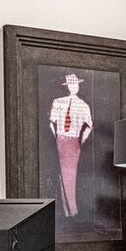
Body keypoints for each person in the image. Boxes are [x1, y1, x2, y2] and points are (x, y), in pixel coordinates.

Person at [47, 73, 93, 217]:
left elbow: (90, 125)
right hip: (61, 139)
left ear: (78, 85)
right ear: (67, 86)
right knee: (62, 175)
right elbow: (51, 122)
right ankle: (68, 211)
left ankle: (72, 211)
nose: (74, 87)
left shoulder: (84, 105)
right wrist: (58, 138)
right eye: (71, 84)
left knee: (69, 175)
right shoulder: (58, 102)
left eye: (76, 84)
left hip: (73, 141)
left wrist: (81, 140)